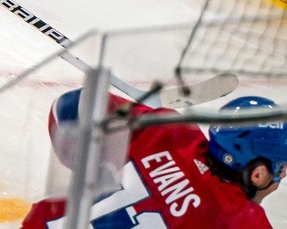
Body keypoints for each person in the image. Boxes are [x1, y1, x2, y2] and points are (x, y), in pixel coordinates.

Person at [21, 89, 287, 228]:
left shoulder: (172, 131)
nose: (282, 176)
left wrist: (101, 172)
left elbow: (69, 107)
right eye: (281, 168)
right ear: (258, 173)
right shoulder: (244, 222)